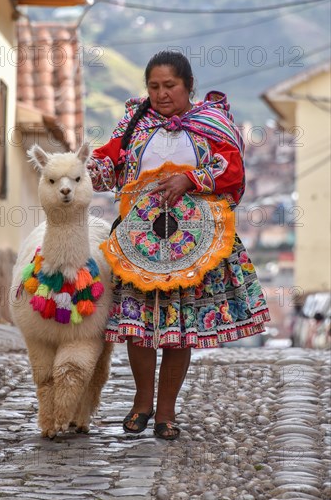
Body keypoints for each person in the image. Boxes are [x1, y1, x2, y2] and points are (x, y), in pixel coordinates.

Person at [87, 51, 270, 440]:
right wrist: (82, 172)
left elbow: (232, 168)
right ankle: (141, 403)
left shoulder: (211, 124)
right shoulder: (135, 123)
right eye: (154, 86)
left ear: (189, 85)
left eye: (169, 85)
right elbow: (110, 161)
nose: (161, 93)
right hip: (139, 240)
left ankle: (166, 411)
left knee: (179, 328)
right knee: (138, 326)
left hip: (195, 243)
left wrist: (191, 179)